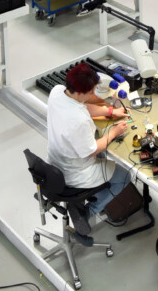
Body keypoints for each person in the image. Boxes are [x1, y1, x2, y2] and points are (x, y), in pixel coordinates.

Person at [46, 62, 132, 214]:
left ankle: (96, 195)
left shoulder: (57, 91)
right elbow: (91, 151)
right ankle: (87, 212)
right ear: (80, 93)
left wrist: (110, 111)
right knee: (124, 176)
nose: (93, 95)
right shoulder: (79, 120)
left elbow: (82, 106)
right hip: (74, 172)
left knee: (102, 153)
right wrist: (114, 132)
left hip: (54, 163)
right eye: (91, 92)